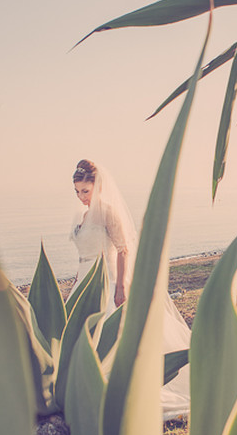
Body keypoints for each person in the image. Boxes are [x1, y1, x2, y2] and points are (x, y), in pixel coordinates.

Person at [70, 159, 190, 419]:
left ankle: (118, 387)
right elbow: (83, 257)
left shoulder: (108, 212)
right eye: (77, 191)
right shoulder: (83, 215)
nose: (81, 197)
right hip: (84, 284)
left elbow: (123, 249)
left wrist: (121, 285)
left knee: (114, 337)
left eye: (85, 191)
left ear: (97, 187)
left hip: (109, 281)